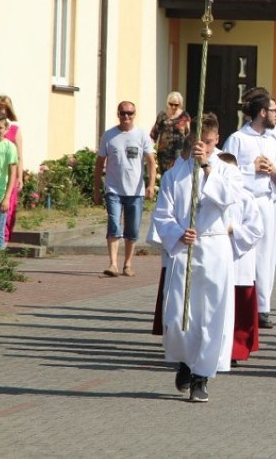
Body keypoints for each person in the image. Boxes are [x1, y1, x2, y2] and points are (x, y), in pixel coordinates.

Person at [151, 113, 239, 402]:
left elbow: (227, 198)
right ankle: (186, 362)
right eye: (202, 143)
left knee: (211, 316)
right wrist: (177, 232)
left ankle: (202, 375)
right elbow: (162, 214)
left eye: (212, 144)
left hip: (214, 248)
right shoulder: (175, 174)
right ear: (192, 140)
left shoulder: (226, 169)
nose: (207, 148)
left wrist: (207, 169)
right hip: (185, 249)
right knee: (179, 315)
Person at [222, 94, 276, 330]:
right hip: (245, 204)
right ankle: (243, 303)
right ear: (262, 112)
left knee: (266, 257)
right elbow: (225, 170)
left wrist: (274, 171)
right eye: (273, 110)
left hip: (266, 202)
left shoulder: (274, 141)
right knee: (246, 255)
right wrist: (251, 168)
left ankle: (263, 307)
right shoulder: (237, 139)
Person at [93, 101, 156, 278]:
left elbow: (151, 162)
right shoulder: (109, 135)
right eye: (123, 113)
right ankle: (113, 264)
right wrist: (97, 189)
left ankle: (128, 264)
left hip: (135, 191)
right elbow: (99, 164)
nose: (126, 116)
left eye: (130, 113)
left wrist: (151, 185)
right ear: (118, 114)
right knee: (114, 225)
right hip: (113, 188)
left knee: (132, 229)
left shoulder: (142, 135)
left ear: (135, 114)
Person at [218, 152, 264, 367]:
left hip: (239, 260)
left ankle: (236, 348)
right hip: (216, 260)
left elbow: (255, 230)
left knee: (239, 307)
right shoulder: (211, 196)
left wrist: (232, 230)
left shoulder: (246, 198)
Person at [0, 96, 22, 243]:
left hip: (5, 182)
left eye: (2, 108)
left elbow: (19, 158)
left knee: (6, 214)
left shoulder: (14, 131)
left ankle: (3, 245)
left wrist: (20, 177)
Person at [150, 91, 190, 174]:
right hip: (164, 154)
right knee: (165, 176)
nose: (173, 107)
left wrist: (188, 150)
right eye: (171, 104)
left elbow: (189, 134)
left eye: (176, 105)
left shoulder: (184, 116)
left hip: (179, 152)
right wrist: (151, 150)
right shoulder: (162, 115)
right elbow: (154, 133)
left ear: (180, 104)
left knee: (177, 174)